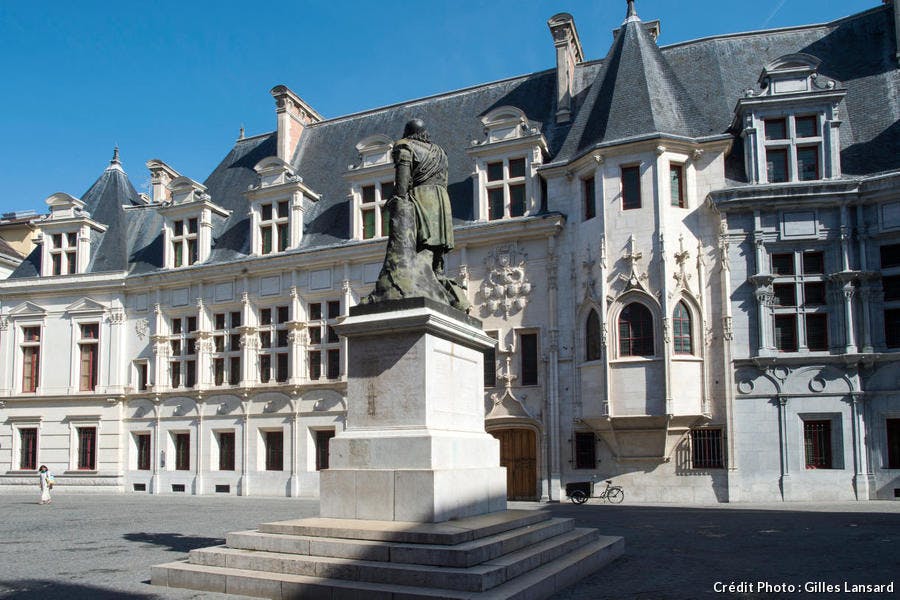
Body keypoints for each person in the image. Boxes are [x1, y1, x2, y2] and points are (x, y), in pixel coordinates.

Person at [392, 118, 455, 276]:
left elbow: (402, 181)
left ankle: (421, 274)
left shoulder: (405, 146)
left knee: (420, 241)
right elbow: (444, 180)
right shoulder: (441, 152)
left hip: (422, 196)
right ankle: (437, 270)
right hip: (441, 198)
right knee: (437, 244)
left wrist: (398, 198)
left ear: (407, 133)